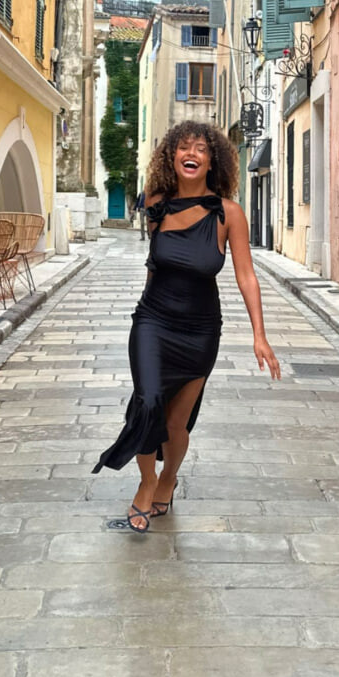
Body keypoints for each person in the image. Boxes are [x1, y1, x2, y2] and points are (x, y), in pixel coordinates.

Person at [92, 121, 280, 532]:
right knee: (148, 402)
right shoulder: (156, 204)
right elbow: (154, 263)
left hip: (199, 330)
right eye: (183, 147)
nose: (191, 153)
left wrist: (260, 335)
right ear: (172, 156)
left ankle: (168, 478)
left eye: (200, 148)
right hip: (152, 320)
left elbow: (246, 276)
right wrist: (144, 313)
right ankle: (146, 482)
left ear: (212, 161)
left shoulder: (228, 214)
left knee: (176, 423)